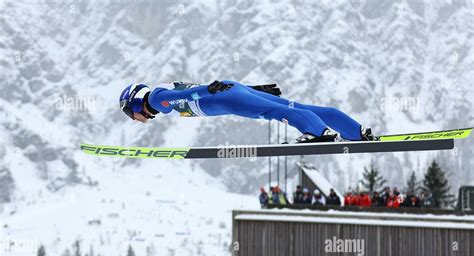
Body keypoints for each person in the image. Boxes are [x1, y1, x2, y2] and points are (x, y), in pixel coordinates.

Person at [119, 81, 378, 143]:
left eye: (131, 114)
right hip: (233, 91)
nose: (136, 120)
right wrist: (253, 89)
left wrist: (207, 89)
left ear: (134, 104)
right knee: (297, 107)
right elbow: (189, 91)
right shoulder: (160, 96)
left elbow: (186, 95)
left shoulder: (157, 99)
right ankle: (356, 132)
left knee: (275, 111)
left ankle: (320, 133)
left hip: (229, 98)